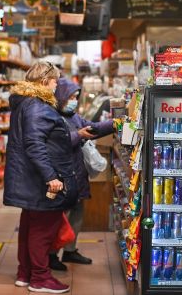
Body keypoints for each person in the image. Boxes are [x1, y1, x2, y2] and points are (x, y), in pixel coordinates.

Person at [4, 62, 79, 294]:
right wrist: (51, 177)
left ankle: (24, 273)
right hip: (40, 180)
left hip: (28, 177)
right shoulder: (38, 106)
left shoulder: (26, 103)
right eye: (55, 80)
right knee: (42, 229)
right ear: (44, 81)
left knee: (29, 226)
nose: (57, 85)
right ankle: (40, 278)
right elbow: (35, 145)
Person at [49, 77, 114, 271]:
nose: (74, 101)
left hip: (76, 172)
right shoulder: (51, 116)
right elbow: (55, 143)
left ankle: (70, 250)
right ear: (60, 96)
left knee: (77, 212)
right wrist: (79, 135)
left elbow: (91, 127)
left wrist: (115, 124)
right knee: (58, 218)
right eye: (70, 97)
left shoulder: (74, 116)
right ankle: (51, 255)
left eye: (76, 97)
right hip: (61, 174)